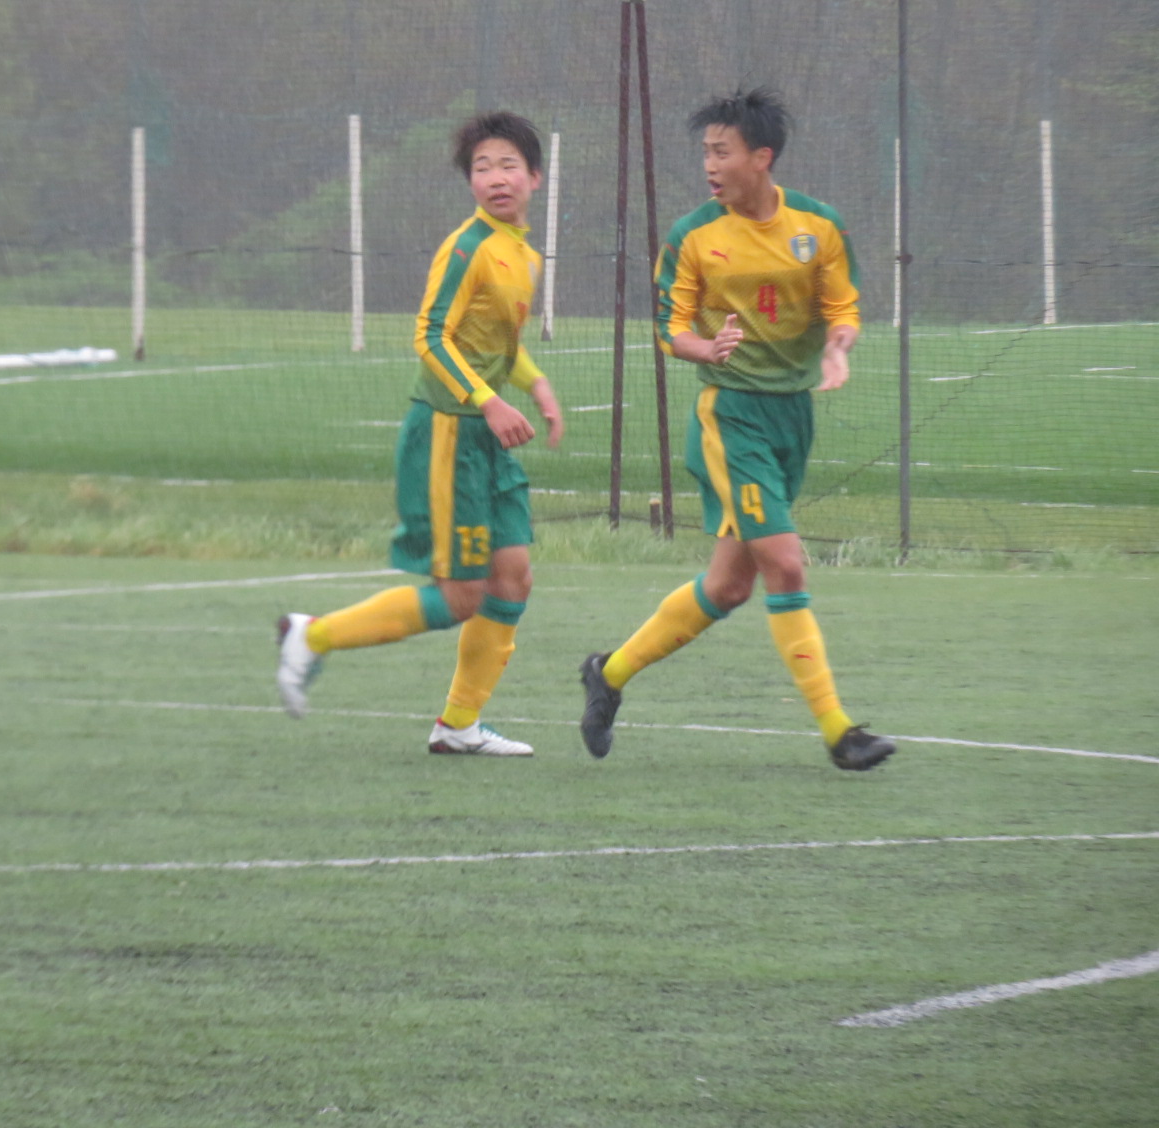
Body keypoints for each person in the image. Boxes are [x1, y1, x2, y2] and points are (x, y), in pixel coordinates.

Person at [578, 87, 895, 772]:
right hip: (730, 416)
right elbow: (670, 329)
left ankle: (608, 673)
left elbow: (842, 307)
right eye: (705, 152)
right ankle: (840, 731)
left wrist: (838, 347)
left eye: (721, 152)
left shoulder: (819, 226)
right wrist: (708, 348)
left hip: (792, 416)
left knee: (728, 587)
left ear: (762, 157)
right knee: (786, 561)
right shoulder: (693, 235)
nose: (710, 165)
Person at [276, 111, 563, 756]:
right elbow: (431, 337)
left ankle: (458, 725)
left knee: (513, 577)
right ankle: (310, 636)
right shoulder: (467, 248)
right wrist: (489, 401)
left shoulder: (523, 253)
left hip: (486, 440)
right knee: (461, 597)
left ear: (535, 177)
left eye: (508, 165)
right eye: (482, 168)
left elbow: (498, 343)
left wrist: (536, 385)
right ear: (470, 182)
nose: (496, 178)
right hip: (447, 434)